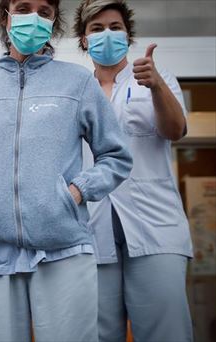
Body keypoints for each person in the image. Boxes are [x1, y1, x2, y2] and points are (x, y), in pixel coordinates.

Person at [0, 0, 133, 341]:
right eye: (24, 7)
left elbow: (116, 156)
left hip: (63, 248)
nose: (34, 17)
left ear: (53, 22)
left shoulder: (77, 83)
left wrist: (74, 192)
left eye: (45, 11)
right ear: (6, 17)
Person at [73, 1, 193, 341]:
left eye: (115, 27)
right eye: (96, 29)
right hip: (92, 230)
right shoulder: (76, 90)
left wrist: (155, 86)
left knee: (165, 333)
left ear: (128, 36)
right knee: (96, 333)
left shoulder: (157, 77)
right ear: (83, 40)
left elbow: (175, 131)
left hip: (155, 227)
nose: (106, 34)